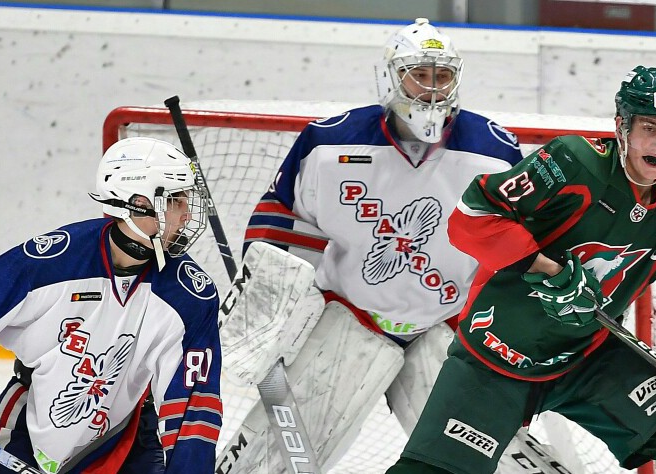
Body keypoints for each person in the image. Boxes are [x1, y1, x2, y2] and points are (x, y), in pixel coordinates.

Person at [385, 66, 656, 474]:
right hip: (497, 351)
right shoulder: (571, 163)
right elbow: (471, 217)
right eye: (649, 128)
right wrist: (548, 269)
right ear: (621, 126)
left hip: (590, 357)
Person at [237, 17, 571, 473]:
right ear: (390, 77)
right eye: (419, 74)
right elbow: (282, 226)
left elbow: (523, 245)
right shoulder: (329, 143)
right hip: (349, 319)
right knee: (271, 459)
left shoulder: (494, 151)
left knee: (488, 459)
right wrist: (271, 315)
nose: (432, 88)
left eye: (442, 75)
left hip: (448, 327)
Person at [0, 137, 223, 474]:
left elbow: (194, 409)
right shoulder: (51, 263)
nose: (186, 215)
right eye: (175, 201)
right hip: (28, 433)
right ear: (138, 203)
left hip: (125, 441)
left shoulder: (191, 297)